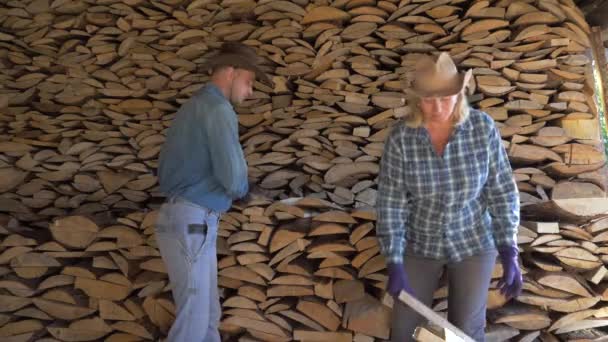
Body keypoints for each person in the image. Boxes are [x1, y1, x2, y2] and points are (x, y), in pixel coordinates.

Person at [376, 52, 522, 342]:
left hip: (473, 241)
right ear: (418, 99)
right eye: (429, 99)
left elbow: (502, 189)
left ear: (460, 95)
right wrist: (393, 260)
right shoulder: (401, 138)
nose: (437, 106)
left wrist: (509, 250)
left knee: (467, 332)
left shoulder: (481, 129)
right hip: (420, 243)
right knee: (404, 330)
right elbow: (391, 203)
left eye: (445, 98)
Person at [155, 42, 271, 342]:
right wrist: (245, 190)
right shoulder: (219, 109)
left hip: (181, 218)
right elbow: (233, 177)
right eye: (249, 81)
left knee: (206, 317)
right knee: (194, 322)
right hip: (194, 221)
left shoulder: (192, 108)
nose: (250, 91)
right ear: (230, 72)